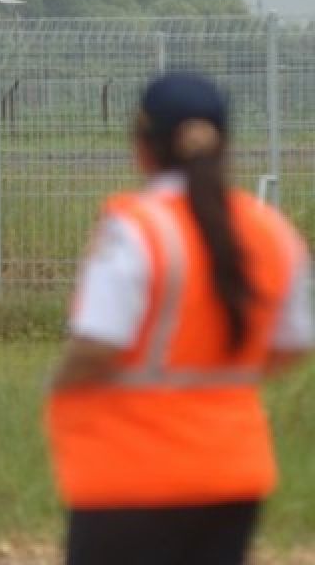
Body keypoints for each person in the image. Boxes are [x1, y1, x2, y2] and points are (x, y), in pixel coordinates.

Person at [45, 71, 313, 565]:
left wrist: (57, 385)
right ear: (225, 144)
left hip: (129, 478)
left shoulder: (136, 228)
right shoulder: (270, 230)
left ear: (144, 146)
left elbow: (98, 342)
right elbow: (294, 342)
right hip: (233, 475)